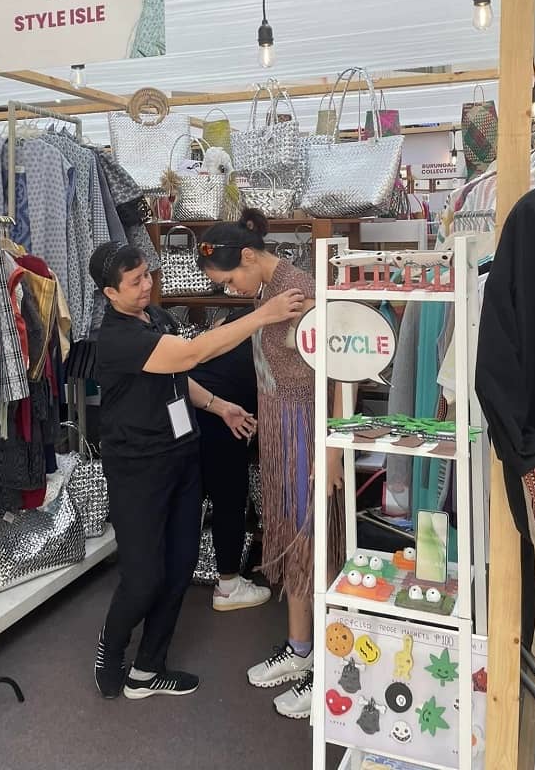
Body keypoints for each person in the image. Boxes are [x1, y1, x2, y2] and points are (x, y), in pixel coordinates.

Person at [89, 242, 304, 701]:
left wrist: (218, 405)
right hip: (138, 469)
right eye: (135, 282)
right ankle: (111, 647)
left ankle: (149, 668)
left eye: (148, 275)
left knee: (180, 565)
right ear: (109, 292)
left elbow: (174, 374)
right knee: (143, 576)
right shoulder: (116, 338)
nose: (147, 285)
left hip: (182, 457)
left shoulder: (154, 318)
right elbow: (189, 355)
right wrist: (263, 316)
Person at [197, 209, 345, 720]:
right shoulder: (268, 295)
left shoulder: (300, 291)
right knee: (291, 539)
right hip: (283, 431)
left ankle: (328, 666)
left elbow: (338, 372)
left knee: (312, 541)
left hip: (307, 432)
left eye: (229, 280)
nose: (230, 289)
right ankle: (301, 649)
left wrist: (329, 450)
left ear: (247, 256)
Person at [189, 307, 271, 611]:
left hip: (190, 406)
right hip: (227, 416)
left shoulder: (237, 317)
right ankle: (228, 586)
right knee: (229, 502)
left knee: (187, 500)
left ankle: (166, 576)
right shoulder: (278, 326)